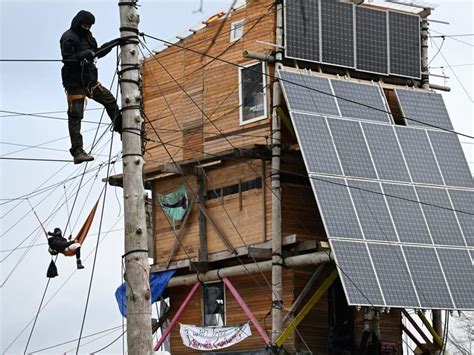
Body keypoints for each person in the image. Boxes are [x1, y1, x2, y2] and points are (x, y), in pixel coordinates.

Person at [60, 10, 123, 164]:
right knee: (76, 116)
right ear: (78, 23)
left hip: (90, 81)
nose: (87, 28)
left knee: (109, 100)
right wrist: (83, 55)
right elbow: (68, 60)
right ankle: (77, 152)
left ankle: (121, 127)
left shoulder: (87, 36)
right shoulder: (68, 37)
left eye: (89, 26)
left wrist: (114, 43)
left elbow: (95, 53)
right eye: (85, 25)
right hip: (74, 83)